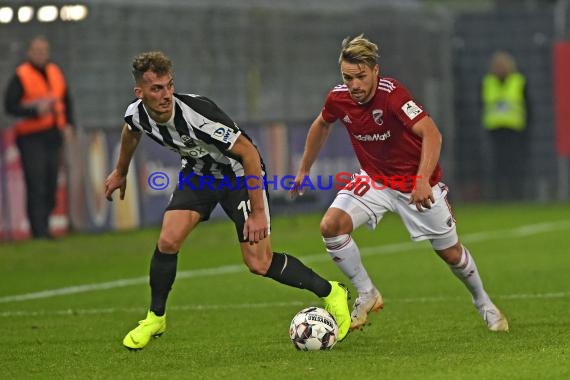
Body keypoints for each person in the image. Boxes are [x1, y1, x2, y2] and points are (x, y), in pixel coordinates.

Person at [104, 51, 350, 350]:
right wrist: (120, 171)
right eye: (157, 89)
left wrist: (258, 212)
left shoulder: (196, 114)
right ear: (139, 92)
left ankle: (331, 291)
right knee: (168, 241)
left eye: (169, 86)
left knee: (259, 263)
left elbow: (248, 153)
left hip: (237, 175)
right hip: (198, 175)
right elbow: (131, 132)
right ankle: (155, 317)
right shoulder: (136, 113)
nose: (166, 94)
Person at [292, 35, 508, 332]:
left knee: (451, 254)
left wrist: (421, 180)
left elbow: (432, 134)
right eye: (347, 77)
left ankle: (483, 301)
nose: (354, 85)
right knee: (331, 226)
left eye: (360, 77)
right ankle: (367, 292)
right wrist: (304, 167)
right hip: (375, 179)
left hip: (415, 185)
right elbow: (322, 123)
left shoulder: (393, 95)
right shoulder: (338, 97)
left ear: (375, 71)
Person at [4, 35, 74, 239]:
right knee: (36, 182)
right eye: (36, 50)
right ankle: (39, 231)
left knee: (51, 181)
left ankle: (45, 225)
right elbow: (10, 106)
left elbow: (66, 101)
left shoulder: (55, 72)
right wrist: (35, 111)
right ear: (29, 53)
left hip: (53, 134)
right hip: (31, 136)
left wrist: (69, 124)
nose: (40, 54)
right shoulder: (21, 75)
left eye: (43, 50)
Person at [481, 51, 530, 201]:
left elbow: (528, 105)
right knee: (496, 164)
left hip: (514, 130)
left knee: (514, 164)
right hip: (495, 130)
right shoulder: (487, 82)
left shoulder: (519, 81)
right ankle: (497, 196)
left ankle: (517, 195)